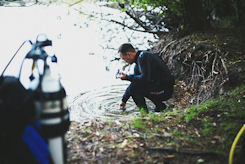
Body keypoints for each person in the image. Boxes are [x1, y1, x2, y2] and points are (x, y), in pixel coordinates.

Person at [118, 43, 174, 112]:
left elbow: (145, 78)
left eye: (124, 58)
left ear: (129, 54)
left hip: (165, 91)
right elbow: (135, 82)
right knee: (136, 85)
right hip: (159, 87)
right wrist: (124, 101)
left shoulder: (144, 57)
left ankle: (144, 113)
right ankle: (160, 106)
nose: (124, 61)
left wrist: (127, 77)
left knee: (135, 89)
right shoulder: (138, 62)